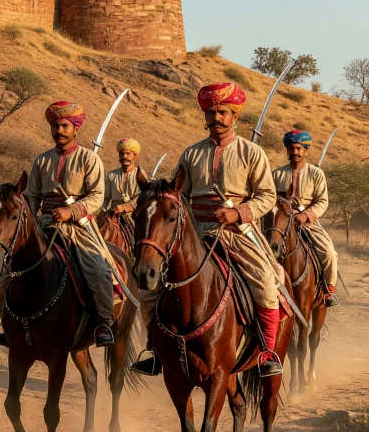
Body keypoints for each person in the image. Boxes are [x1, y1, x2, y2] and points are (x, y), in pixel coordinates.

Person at [132, 82, 284, 377]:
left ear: (234, 116)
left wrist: (238, 212)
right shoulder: (190, 154)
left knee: (266, 282)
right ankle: (153, 350)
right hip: (195, 233)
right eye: (211, 112)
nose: (217, 117)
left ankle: (266, 353)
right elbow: (180, 196)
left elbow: (267, 195)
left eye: (223, 112)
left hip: (237, 234)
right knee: (149, 291)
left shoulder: (252, 152)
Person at [0, 101, 115, 348]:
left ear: (76, 129)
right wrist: (30, 223)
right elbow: (32, 197)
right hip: (44, 225)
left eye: (65, 126)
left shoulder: (89, 159)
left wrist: (71, 211)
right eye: (56, 126)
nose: (60, 130)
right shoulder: (42, 160)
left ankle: (104, 323)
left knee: (98, 271)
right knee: (6, 273)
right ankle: (8, 324)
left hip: (78, 228)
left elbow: (97, 196)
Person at [272, 129, 340, 307]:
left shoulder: (316, 174)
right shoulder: (276, 174)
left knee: (329, 252)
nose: (295, 152)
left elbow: (322, 201)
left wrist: (305, 215)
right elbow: (268, 198)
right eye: (292, 148)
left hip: (307, 223)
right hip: (280, 222)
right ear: (287, 150)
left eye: (299, 149)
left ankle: (328, 291)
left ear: (305, 151)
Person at [103, 137, 143, 245]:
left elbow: (141, 198)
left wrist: (125, 207)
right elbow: (105, 198)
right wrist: (102, 213)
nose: (124, 156)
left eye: (128, 154)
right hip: (112, 216)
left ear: (135, 156)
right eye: (121, 154)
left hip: (133, 218)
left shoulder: (141, 176)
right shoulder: (111, 175)